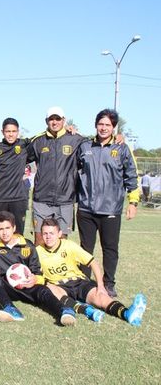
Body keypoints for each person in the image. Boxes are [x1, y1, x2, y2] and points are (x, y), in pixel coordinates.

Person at [76, 108, 139, 297]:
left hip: (110, 209)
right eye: (101, 124)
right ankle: (83, 284)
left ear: (113, 128)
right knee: (85, 248)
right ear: (96, 125)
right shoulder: (85, 146)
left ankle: (109, 284)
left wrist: (133, 203)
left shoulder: (121, 148)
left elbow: (131, 177)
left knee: (110, 248)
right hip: (86, 208)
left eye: (108, 125)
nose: (104, 128)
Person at [37, 218, 147, 326]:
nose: (48, 237)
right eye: (45, 233)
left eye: (52, 233)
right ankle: (86, 310)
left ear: (59, 233)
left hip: (79, 282)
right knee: (50, 289)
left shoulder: (68, 245)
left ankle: (127, 314)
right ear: (41, 235)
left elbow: (93, 263)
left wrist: (100, 286)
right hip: (59, 286)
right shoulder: (37, 251)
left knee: (100, 298)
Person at [0, 211, 76, 325]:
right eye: (1, 229)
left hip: (28, 287)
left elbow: (37, 271)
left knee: (43, 290)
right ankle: (11, 309)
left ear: (14, 228)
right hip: (8, 288)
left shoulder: (27, 245)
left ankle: (64, 311)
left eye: (7, 228)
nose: (4, 232)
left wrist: (34, 279)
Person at [27, 107, 87, 245]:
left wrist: (117, 137)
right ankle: (39, 267)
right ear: (46, 121)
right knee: (40, 240)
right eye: (51, 119)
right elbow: (18, 152)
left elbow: (95, 145)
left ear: (63, 120)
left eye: (58, 119)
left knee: (61, 242)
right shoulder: (38, 141)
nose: (54, 122)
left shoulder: (75, 139)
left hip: (65, 199)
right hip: (41, 199)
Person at [0, 118, 30, 245]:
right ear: (2, 132)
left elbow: (42, 138)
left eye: (13, 131)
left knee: (17, 234)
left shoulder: (24, 145)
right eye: (8, 131)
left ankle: (16, 262)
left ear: (18, 132)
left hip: (18, 198)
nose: (11, 134)